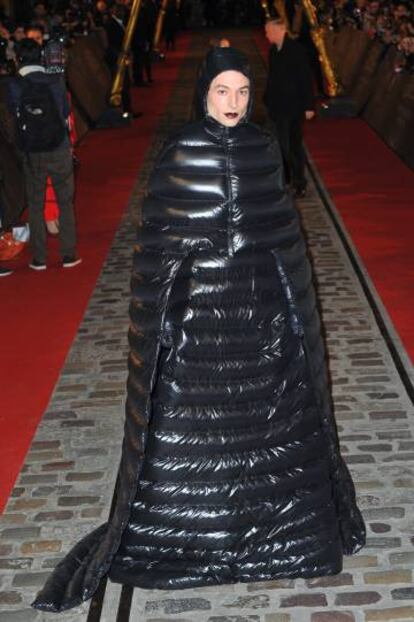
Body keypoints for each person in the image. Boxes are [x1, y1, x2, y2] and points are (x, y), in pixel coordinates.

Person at [32, 46, 365, 613]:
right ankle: (188, 542)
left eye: (240, 92)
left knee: (269, 433)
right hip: (199, 330)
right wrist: (164, 320)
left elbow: (286, 242)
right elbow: (158, 249)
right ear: (204, 94)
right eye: (221, 92)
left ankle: (274, 540)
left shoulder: (262, 148)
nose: (233, 103)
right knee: (188, 434)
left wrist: (291, 319)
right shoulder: (180, 151)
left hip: (260, 327)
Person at [6, 38, 81, 270]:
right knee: (65, 201)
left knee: (36, 204)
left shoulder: (14, 84)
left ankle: (39, 258)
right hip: (57, 147)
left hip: (32, 151)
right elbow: (65, 111)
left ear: (17, 58)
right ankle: (68, 254)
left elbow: (13, 115)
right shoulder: (55, 79)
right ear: (41, 56)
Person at [263, 17, 315, 199]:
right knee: (279, 145)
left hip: (293, 107)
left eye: (268, 31)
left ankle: (299, 182)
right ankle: (284, 181)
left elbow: (306, 79)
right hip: (277, 106)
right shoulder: (273, 51)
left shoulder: (296, 50)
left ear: (280, 30)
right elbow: (273, 78)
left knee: (292, 146)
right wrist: (267, 99)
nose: (266, 34)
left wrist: (309, 106)